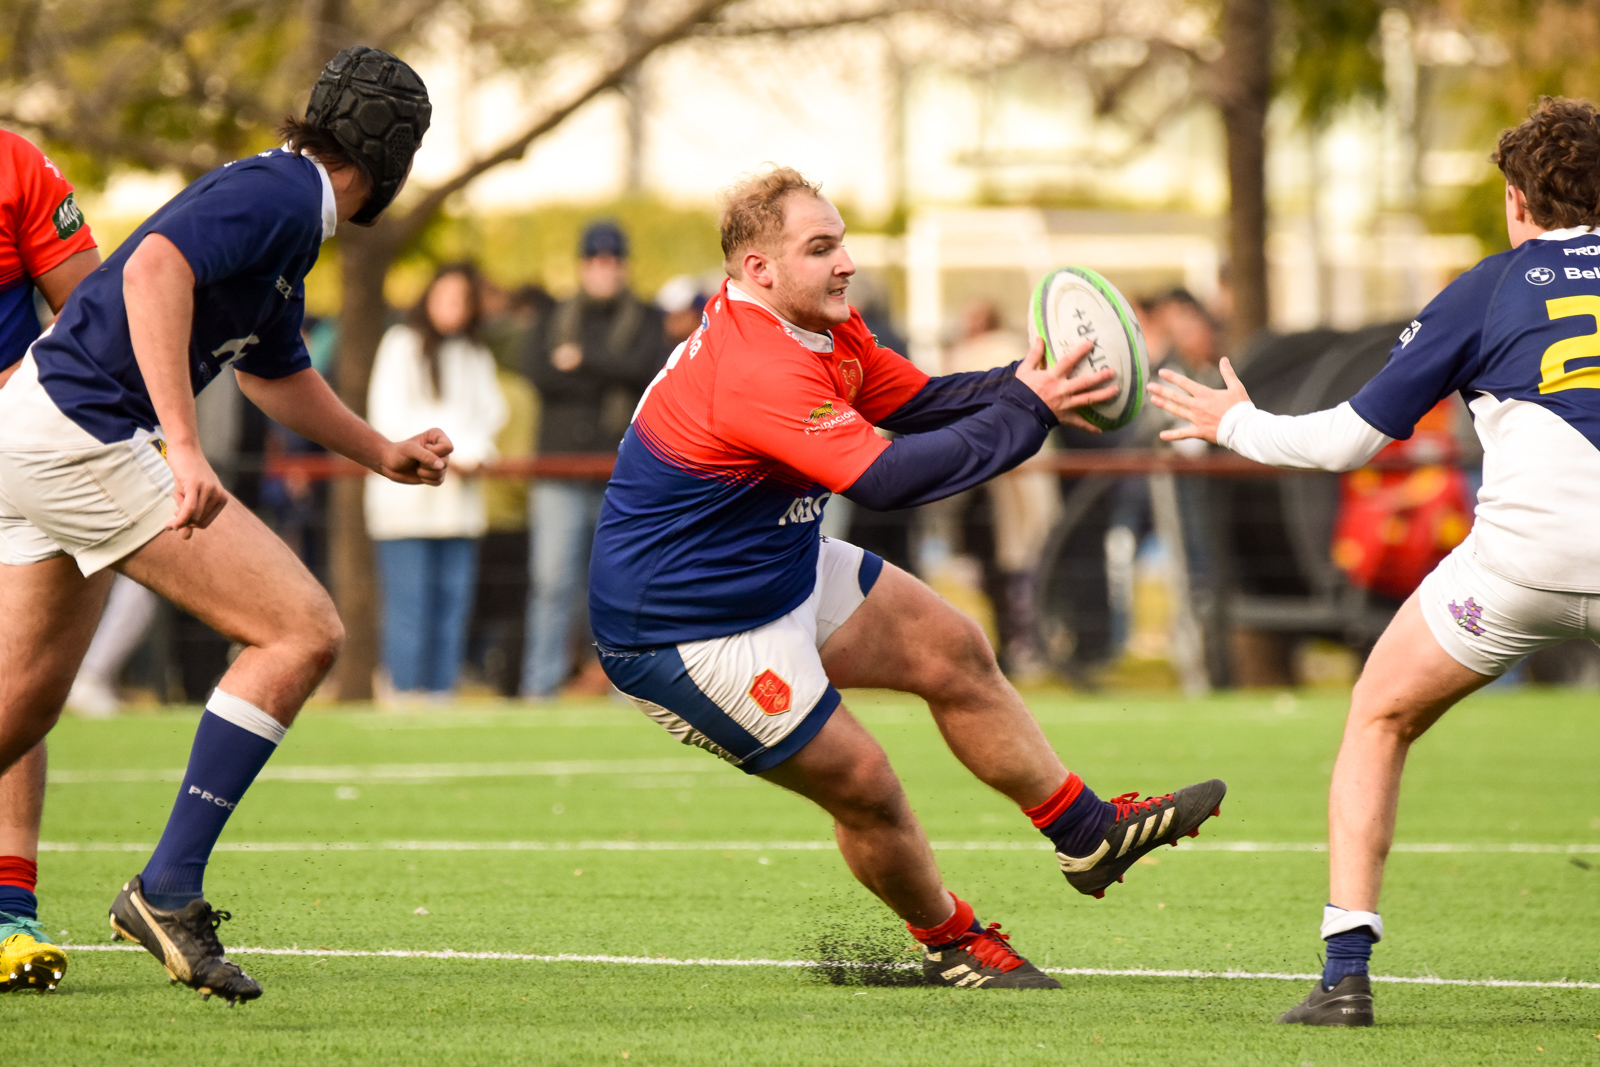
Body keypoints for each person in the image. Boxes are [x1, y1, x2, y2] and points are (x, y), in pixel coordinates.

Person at [589, 166, 1226, 989]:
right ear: (759, 270)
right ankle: (952, 939)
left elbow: (923, 400)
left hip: (768, 562)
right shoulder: (753, 365)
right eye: (821, 247)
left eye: (842, 238)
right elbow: (886, 478)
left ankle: (1087, 831)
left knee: (952, 648)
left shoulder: (821, 326)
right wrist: (1028, 411)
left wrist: (1030, 382)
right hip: (683, 628)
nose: (847, 261)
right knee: (866, 783)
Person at [0, 45, 441, 1005]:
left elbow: (271, 369)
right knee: (300, 629)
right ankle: (166, 888)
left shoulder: (288, 211)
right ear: (391, 159)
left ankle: (165, 886)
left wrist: (379, 450)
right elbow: (156, 271)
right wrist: (186, 449)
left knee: (19, 708)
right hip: (84, 435)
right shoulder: (286, 193)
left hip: (33, 429)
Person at [1147, 95, 1600, 1026]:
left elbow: (1347, 442)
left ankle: (1344, 974)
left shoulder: (1491, 286)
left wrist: (1234, 420)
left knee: (1378, 716)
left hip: (1520, 571)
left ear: (1517, 201)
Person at [0, 130, 100, 994]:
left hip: (12, 453)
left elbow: (89, 312)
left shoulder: (16, 165)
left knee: (16, 675)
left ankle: (9, 911)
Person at [521, 220, 666, 698]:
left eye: (613, 260)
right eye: (596, 260)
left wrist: (582, 360)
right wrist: (609, 371)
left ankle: (630, 690)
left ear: (624, 266)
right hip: (559, 471)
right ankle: (540, 687)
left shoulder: (647, 317)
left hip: (622, 474)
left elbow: (649, 371)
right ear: (583, 265)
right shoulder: (553, 315)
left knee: (623, 588)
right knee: (551, 584)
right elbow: (540, 373)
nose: (605, 269)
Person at [366, 263, 507, 702]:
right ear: (427, 300)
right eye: (445, 297)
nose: (453, 307)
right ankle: (404, 698)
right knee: (410, 609)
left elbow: (491, 415)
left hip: (459, 506)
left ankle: (440, 698)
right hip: (407, 505)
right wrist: (452, 454)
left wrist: (475, 454)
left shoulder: (475, 353)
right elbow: (388, 417)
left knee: (452, 608)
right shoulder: (400, 345)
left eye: (462, 299)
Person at [942, 300, 1060, 679]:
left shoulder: (988, 353)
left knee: (1012, 570)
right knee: (1008, 569)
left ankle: (1022, 645)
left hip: (1000, 485)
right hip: (988, 487)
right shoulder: (1004, 355)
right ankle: (1020, 644)